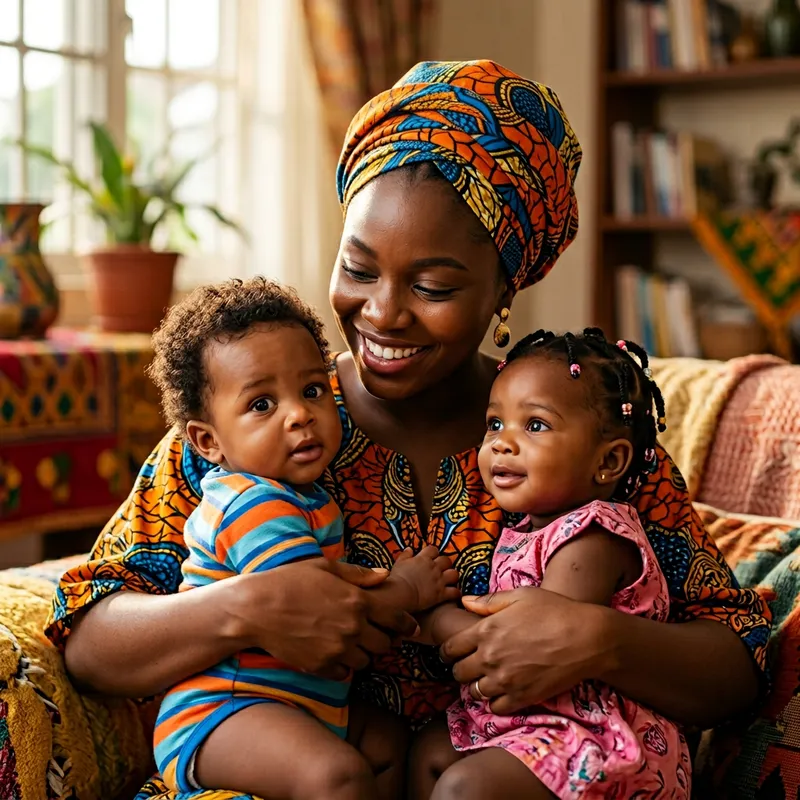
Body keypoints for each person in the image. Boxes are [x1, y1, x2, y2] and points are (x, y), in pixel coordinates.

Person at [45, 61, 770, 800]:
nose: (383, 313)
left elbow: (735, 665)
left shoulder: (577, 434)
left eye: (432, 287)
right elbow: (90, 638)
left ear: (504, 288)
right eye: (358, 268)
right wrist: (241, 609)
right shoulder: (256, 421)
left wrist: (601, 642)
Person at [147, 278, 459, 799]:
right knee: (336, 776)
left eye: (312, 390)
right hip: (224, 713)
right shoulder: (251, 503)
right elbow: (315, 605)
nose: (299, 414)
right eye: (262, 404)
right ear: (208, 440)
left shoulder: (304, 496)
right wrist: (406, 589)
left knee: (383, 743)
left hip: (296, 706)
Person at [411, 329, 691, 800]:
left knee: (465, 787)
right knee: (428, 755)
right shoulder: (528, 526)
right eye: (494, 424)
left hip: (591, 735)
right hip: (530, 725)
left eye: (535, 425)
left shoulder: (593, 536)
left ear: (609, 461)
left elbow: (530, 645)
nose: (502, 443)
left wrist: (429, 617)